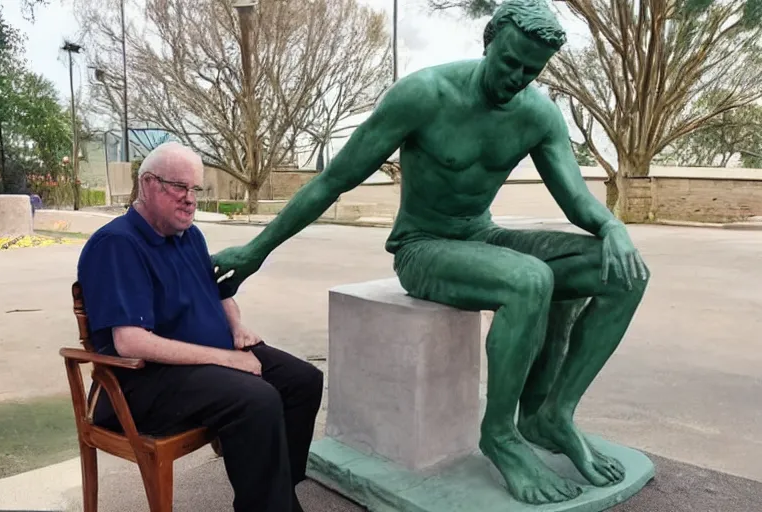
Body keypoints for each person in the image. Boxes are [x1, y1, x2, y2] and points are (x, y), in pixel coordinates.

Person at [212, 0, 651, 506]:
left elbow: (576, 198)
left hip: (483, 237)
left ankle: (552, 414)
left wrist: (611, 226)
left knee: (623, 273)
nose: (517, 77)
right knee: (529, 280)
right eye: (510, 62)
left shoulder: (537, 114)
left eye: (531, 70)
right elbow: (334, 180)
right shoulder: (424, 95)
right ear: (489, 41)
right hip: (423, 247)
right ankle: (501, 435)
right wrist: (257, 249)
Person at [77, 142, 323, 512]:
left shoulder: (189, 235)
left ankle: (277, 498)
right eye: (180, 187)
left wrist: (236, 327)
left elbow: (220, 291)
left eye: (196, 189)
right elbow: (129, 342)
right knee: (257, 399)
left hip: (202, 365)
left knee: (303, 381)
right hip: (143, 382)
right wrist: (228, 359)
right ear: (147, 184)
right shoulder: (117, 245)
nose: (190, 200)